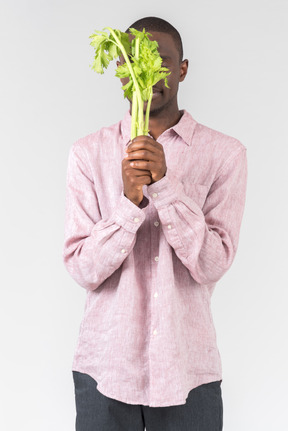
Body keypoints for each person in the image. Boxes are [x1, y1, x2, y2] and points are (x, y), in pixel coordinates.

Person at [63, 16, 247, 431]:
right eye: (134, 61)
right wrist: (129, 204)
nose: (148, 74)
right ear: (120, 69)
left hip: (187, 370)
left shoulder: (225, 155)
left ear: (182, 69)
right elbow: (81, 267)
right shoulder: (87, 153)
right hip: (105, 368)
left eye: (162, 61)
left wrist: (165, 186)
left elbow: (214, 263)